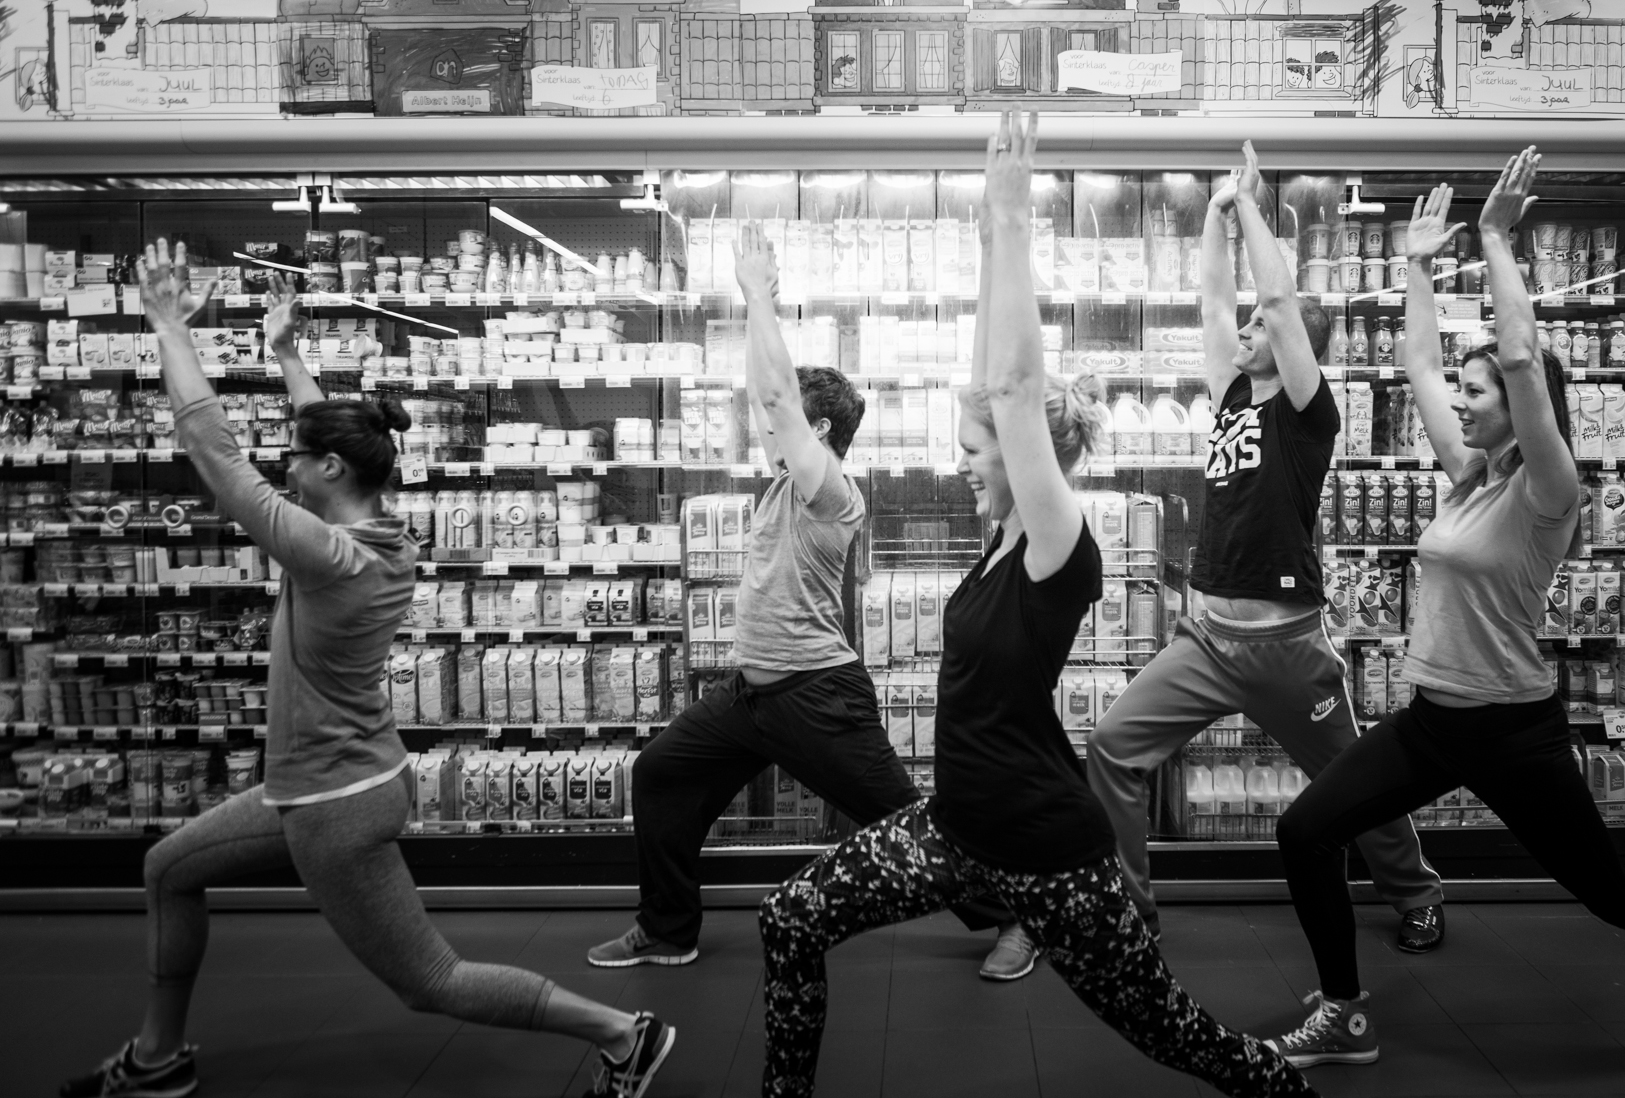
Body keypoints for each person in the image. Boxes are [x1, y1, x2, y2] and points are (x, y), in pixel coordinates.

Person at [755, 111, 1315, 1098]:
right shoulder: (1004, 535)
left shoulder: (1060, 544)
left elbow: (1013, 392)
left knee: (1173, 1031)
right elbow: (992, 389)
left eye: (978, 457)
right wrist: (980, 246)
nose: (964, 467)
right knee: (788, 916)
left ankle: (1282, 1083)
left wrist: (1007, 223)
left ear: (1030, 464)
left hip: (1050, 855)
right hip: (954, 834)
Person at [62, 246, 673, 1098]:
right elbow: (331, 439)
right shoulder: (380, 533)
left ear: (331, 474)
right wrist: (284, 357)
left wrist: (169, 326)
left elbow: (215, 454)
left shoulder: (327, 555)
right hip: (329, 784)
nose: (288, 465)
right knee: (170, 868)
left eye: (300, 460)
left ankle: (622, 1033)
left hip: (332, 805)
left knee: (431, 981)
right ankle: (156, 1056)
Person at [1270, 150, 1625, 1082]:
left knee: (1606, 892)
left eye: (1480, 397)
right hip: (1434, 720)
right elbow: (1420, 362)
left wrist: (1497, 240)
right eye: (1468, 395)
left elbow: (1517, 354)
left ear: (1522, 408)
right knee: (1305, 830)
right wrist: (1419, 269)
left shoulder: (1549, 490)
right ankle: (1346, 1013)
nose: (1460, 406)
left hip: (1513, 730)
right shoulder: (1472, 476)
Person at [588, 225, 1010, 976]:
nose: (765, 424)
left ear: (816, 432)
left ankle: (1011, 918)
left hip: (817, 699)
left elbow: (777, 396)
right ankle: (668, 928)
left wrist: (755, 296)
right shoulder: (788, 480)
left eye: (784, 421)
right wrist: (758, 316)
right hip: (750, 698)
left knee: (912, 824)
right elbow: (768, 394)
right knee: (660, 775)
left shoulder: (830, 493)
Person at [1087, 143, 1445, 958]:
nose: (1246, 331)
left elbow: (1277, 303)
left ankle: (1417, 893)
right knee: (1112, 748)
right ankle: (1131, 913)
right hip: (1208, 639)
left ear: (1293, 353)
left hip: (1287, 649)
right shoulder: (1231, 398)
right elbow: (1216, 303)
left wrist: (1251, 204)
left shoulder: (1308, 416)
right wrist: (1216, 216)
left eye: (1261, 330)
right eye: (1246, 328)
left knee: (1353, 778)